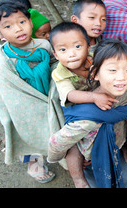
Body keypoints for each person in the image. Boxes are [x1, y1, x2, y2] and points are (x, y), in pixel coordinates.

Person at [57, 38, 127, 188]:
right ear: (95, 73)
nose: (121, 77)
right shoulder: (86, 119)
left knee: (124, 179)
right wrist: (56, 158)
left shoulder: (123, 89)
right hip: (91, 155)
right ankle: (79, 180)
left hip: (117, 143)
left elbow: (126, 111)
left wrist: (126, 145)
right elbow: (56, 143)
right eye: (113, 70)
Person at [0, 0, 61, 183]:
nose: (18, 29)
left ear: (29, 21)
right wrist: (27, 105)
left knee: (53, 128)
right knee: (27, 131)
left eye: (22, 22)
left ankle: (57, 154)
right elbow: (7, 88)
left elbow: (56, 63)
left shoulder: (43, 45)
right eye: (8, 26)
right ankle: (34, 164)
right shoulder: (4, 59)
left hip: (46, 95)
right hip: (24, 106)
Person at [46, 22, 119, 188]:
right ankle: (79, 180)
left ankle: (95, 158)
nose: (71, 54)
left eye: (77, 46)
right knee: (73, 148)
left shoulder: (95, 59)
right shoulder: (60, 72)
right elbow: (69, 94)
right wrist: (93, 97)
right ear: (55, 54)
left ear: (88, 46)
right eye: (63, 50)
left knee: (102, 133)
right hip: (75, 110)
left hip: (97, 104)